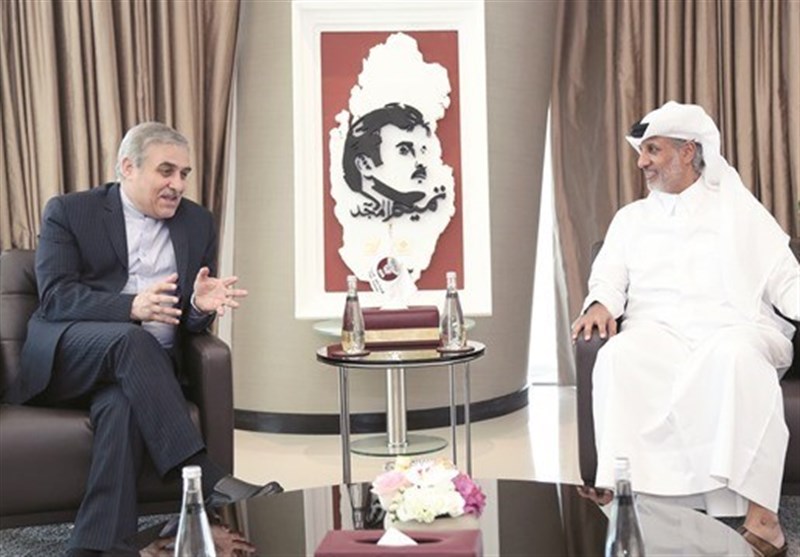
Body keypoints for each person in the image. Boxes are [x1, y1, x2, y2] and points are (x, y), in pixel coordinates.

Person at [2, 122, 281, 556]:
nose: (178, 184)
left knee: (122, 404)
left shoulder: (197, 222)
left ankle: (96, 545)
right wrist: (130, 307)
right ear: (128, 168)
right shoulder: (71, 211)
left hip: (145, 377)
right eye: (166, 171)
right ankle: (201, 473)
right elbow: (56, 298)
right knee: (132, 341)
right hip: (69, 358)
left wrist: (197, 306)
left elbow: (188, 325)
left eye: (184, 174)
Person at [571, 101, 798, 557]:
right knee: (618, 355)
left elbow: (786, 279)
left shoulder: (740, 212)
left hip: (734, 328)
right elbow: (608, 276)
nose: (642, 162)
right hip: (658, 333)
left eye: (653, 150)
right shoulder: (631, 218)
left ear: (689, 151)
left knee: (734, 357)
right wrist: (599, 303)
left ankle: (764, 520)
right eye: (641, 151)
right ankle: (633, 500)